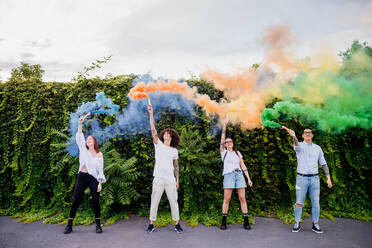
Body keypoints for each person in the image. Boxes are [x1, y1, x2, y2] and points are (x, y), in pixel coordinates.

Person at [64, 113, 106, 234]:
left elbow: (100, 171)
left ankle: (98, 225)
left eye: (90, 140)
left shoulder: (99, 154)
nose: (88, 141)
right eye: (87, 140)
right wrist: (80, 124)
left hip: (93, 178)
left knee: (96, 201)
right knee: (76, 199)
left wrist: (100, 183)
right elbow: (79, 137)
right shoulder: (83, 149)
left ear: (94, 142)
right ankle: (69, 225)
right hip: (82, 176)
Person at [285, 128, 332, 234]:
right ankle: (297, 222)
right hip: (301, 179)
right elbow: (296, 144)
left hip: (315, 179)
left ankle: (315, 224)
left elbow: (323, 163)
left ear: (312, 135)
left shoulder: (317, 148)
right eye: (305, 133)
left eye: (309, 132)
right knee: (299, 202)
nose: (308, 134)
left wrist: (328, 177)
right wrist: (293, 136)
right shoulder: (300, 145)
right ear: (302, 135)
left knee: (316, 202)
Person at [145, 105, 183, 234]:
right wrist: (151, 114)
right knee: (154, 201)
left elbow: (176, 166)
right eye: (165, 133)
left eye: (168, 133)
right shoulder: (158, 145)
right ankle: (151, 224)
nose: (166, 134)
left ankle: (177, 224)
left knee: (174, 201)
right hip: (159, 178)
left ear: (171, 137)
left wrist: (177, 180)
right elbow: (153, 130)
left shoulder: (174, 151)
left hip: (171, 180)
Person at [220, 116, 253, 230]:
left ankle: (246, 221)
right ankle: (223, 222)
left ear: (233, 143)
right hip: (229, 175)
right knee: (227, 199)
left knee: (242, 198)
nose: (228, 143)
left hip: (239, 175)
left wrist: (248, 178)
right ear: (225, 144)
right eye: (226, 142)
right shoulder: (223, 152)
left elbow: (243, 166)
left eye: (230, 141)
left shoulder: (238, 153)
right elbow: (222, 139)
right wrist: (224, 125)